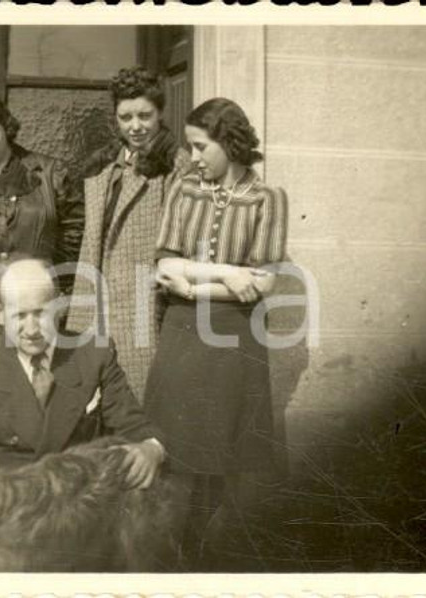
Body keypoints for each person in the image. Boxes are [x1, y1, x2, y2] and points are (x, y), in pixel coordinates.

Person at [143, 97, 289, 570]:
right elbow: (164, 266)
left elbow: (263, 282)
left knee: (220, 451)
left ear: (229, 142)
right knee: (173, 446)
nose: (194, 157)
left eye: (201, 146)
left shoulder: (268, 198)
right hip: (184, 332)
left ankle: (198, 555)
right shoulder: (184, 189)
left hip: (234, 338)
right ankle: (164, 555)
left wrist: (195, 280)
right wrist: (229, 273)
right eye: (190, 147)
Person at [0, 259, 164, 483]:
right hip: (9, 505)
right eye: (20, 316)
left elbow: (134, 427)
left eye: (40, 313)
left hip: (76, 500)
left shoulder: (94, 354)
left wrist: (150, 448)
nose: (32, 329)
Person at [65, 66, 191, 400]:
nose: (135, 126)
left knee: (140, 406)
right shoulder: (103, 168)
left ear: (160, 113)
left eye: (145, 116)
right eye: (125, 117)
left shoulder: (176, 167)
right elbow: (90, 247)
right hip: (96, 306)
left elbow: (180, 245)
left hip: (145, 308)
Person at [0, 93, 84, 347]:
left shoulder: (50, 173)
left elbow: (74, 239)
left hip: (36, 302)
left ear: (6, 128)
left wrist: (61, 289)